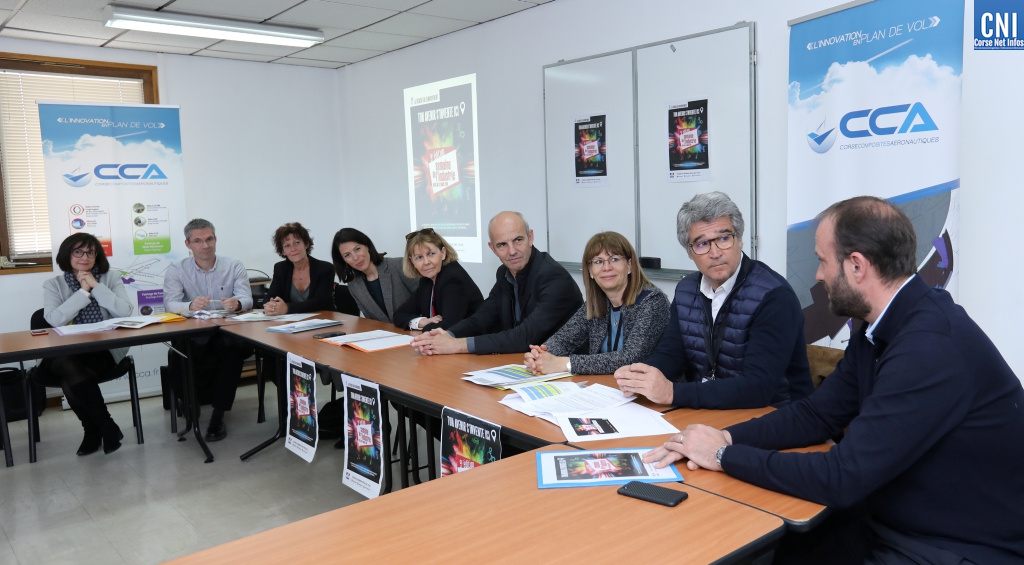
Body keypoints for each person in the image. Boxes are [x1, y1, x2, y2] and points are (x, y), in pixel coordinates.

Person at [645, 196, 1024, 564]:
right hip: (891, 514)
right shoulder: (878, 324)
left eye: (823, 261)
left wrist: (723, 456)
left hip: (955, 543)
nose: (818, 275)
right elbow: (817, 415)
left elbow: (843, 476)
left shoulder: (929, 347)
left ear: (856, 266)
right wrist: (726, 438)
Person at [614, 192, 812, 408]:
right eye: (702, 244)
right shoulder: (686, 290)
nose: (715, 252)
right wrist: (641, 376)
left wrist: (672, 392)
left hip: (777, 416)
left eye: (724, 239)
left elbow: (759, 387)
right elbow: (671, 355)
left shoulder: (774, 296)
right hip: (711, 411)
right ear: (689, 252)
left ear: (740, 239)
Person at [411, 211, 583, 355]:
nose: (512, 251)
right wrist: (447, 334)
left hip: (564, 370)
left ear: (530, 237)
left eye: (518, 240)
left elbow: (525, 337)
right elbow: (483, 317)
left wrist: (457, 345)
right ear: (492, 249)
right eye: (502, 245)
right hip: (524, 364)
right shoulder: (504, 273)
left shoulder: (553, 277)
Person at [524, 231, 669, 375]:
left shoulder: (652, 302)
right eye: (598, 262)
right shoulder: (595, 304)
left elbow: (632, 358)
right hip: (606, 388)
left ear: (630, 265)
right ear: (590, 271)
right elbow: (564, 340)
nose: (606, 268)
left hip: (649, 393)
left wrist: (566, 364)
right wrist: (540, 355)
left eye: (614, 259)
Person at [41, 233, 132, 455]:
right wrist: (83, 292)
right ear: (67, 255)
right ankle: (107, 426)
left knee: (69, 378)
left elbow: (125, 311)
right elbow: (54, 319)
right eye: (78, 251)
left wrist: (96, 285)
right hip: (64, 350)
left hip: (103, 349)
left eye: (90, 252)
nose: (85, 257)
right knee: (68, 363)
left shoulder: (111, 277)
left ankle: (93, 431)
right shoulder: (53, 285)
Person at [163, 218, 253, 441]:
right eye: (198, 241)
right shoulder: (177, 269)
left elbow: (247, 299)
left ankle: (218, 415)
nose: (205, 245)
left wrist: (238, 304)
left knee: (232, 351)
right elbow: (170, 304)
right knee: (181, 352)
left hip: (226, 331)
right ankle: (189, 402)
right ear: (188, 244)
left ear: (215, 239)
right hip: (195, 331)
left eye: (209, 239)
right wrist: (190, 306)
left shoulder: (233, 265)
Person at [393, 228, 484, 331]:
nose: (426, 262)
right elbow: (399, 315)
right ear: (412, 261)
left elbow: (448, 327)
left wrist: (426, 327)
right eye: (419, 257)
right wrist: (421, 322)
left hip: (473, 343)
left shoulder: (453, 278)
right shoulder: (426, 281)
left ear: (443, 253)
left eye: (431, 254)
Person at [332, 228, 418, 323]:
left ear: (367, 246)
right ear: (343, 260)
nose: (355, 257)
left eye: (357, 249)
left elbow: (427, 302)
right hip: (388, 335)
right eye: (347, 255)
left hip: (420, 331)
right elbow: (372, 322)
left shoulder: (398, 265)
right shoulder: (354, 285)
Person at [265, 222, 335, 314]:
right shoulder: (280, 268)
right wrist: (270, 306)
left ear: (306, 244)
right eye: (287, 245)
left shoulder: (325, 268)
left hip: (322, 320)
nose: (293, 249)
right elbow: (271, 297)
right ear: (283, 251)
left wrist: (288, 308)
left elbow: (320, 302)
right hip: (291, 324)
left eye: (297, 242)